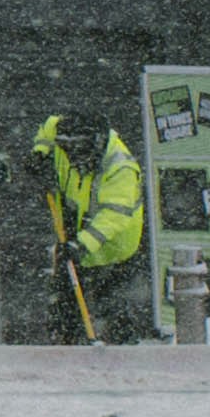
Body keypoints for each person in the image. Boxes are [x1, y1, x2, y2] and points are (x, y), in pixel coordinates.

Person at [29, 107, 150, 342]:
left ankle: (122, 348)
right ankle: (66, 343)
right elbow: (50, 123)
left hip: (113, 245)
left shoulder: (120, 167)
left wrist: (81, 245)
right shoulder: (65, 141)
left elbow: (113, 216)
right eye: (67, 148)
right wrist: (40, 152)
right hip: (76, 229)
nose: (71, 156)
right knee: (65, 299)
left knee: (111, 302)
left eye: (78, 150)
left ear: (96, 142)